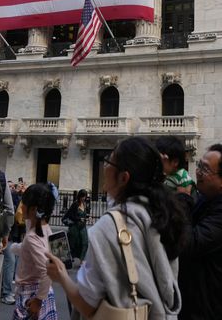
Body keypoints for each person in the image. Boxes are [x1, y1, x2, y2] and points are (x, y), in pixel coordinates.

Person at [46, 136, 186, 319]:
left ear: (123, 177)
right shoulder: (161, 213)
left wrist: (62, 277)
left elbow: (88, 306)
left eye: (108, 161)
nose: (104, 168)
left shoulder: (108, 226)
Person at [177, 144, 222, 320]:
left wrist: (183, 201)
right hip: (188, 297)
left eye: (205, 169)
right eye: (199, 166)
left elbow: (189, 243)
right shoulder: (205, 198)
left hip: (204, 305)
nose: (198, 172)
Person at [10, 183, 58, 320]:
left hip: (31, 295)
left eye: (23, 202)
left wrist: (38, 301)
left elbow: (46, 270)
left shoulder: (32, 237)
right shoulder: (44, 227)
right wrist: (14, 248)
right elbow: (29, 249)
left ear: (33, 209)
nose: (21, 206)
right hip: (43, 290)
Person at [62, 189, 90, 263]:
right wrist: (79, 219)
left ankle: (82, 260)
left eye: (85, 196)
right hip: (75, 227)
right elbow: (71, 215)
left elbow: (83, 215)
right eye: (82, 196)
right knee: (74, 244)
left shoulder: (84, 204)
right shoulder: (75, 204)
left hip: (83, 227)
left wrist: (87, 217)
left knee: (85, 243)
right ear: (79, 196)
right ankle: (70, 258)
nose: (84, 198)